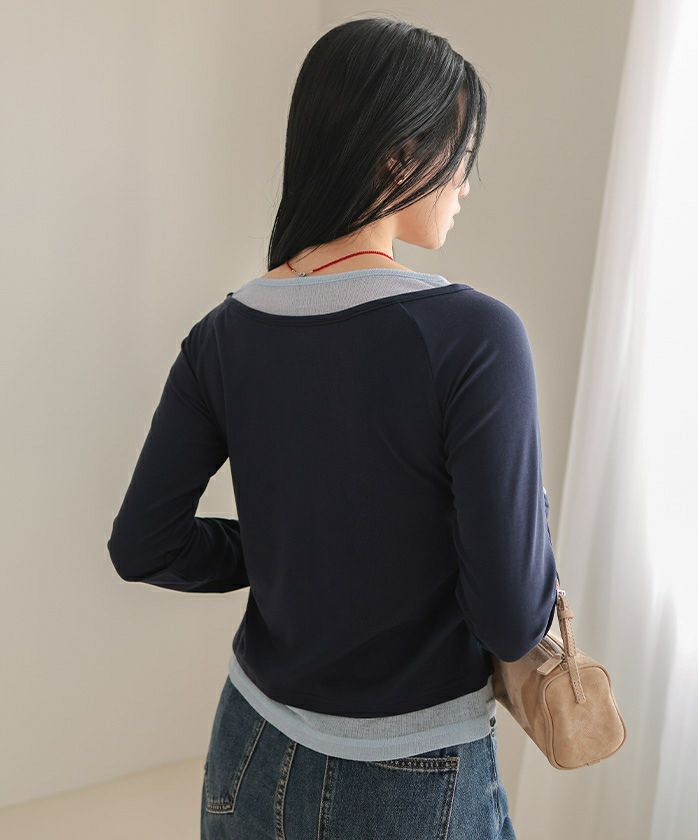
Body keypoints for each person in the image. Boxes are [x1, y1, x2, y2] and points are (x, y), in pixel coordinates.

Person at [107, 16, 559, 840]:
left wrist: (284, 549)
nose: (466, 181)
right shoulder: (476, 336)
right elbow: (512, 621)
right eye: (461, 152)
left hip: (247, 745)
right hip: (411, 776)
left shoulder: (223, 333)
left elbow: (144, 545)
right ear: (397, 157)